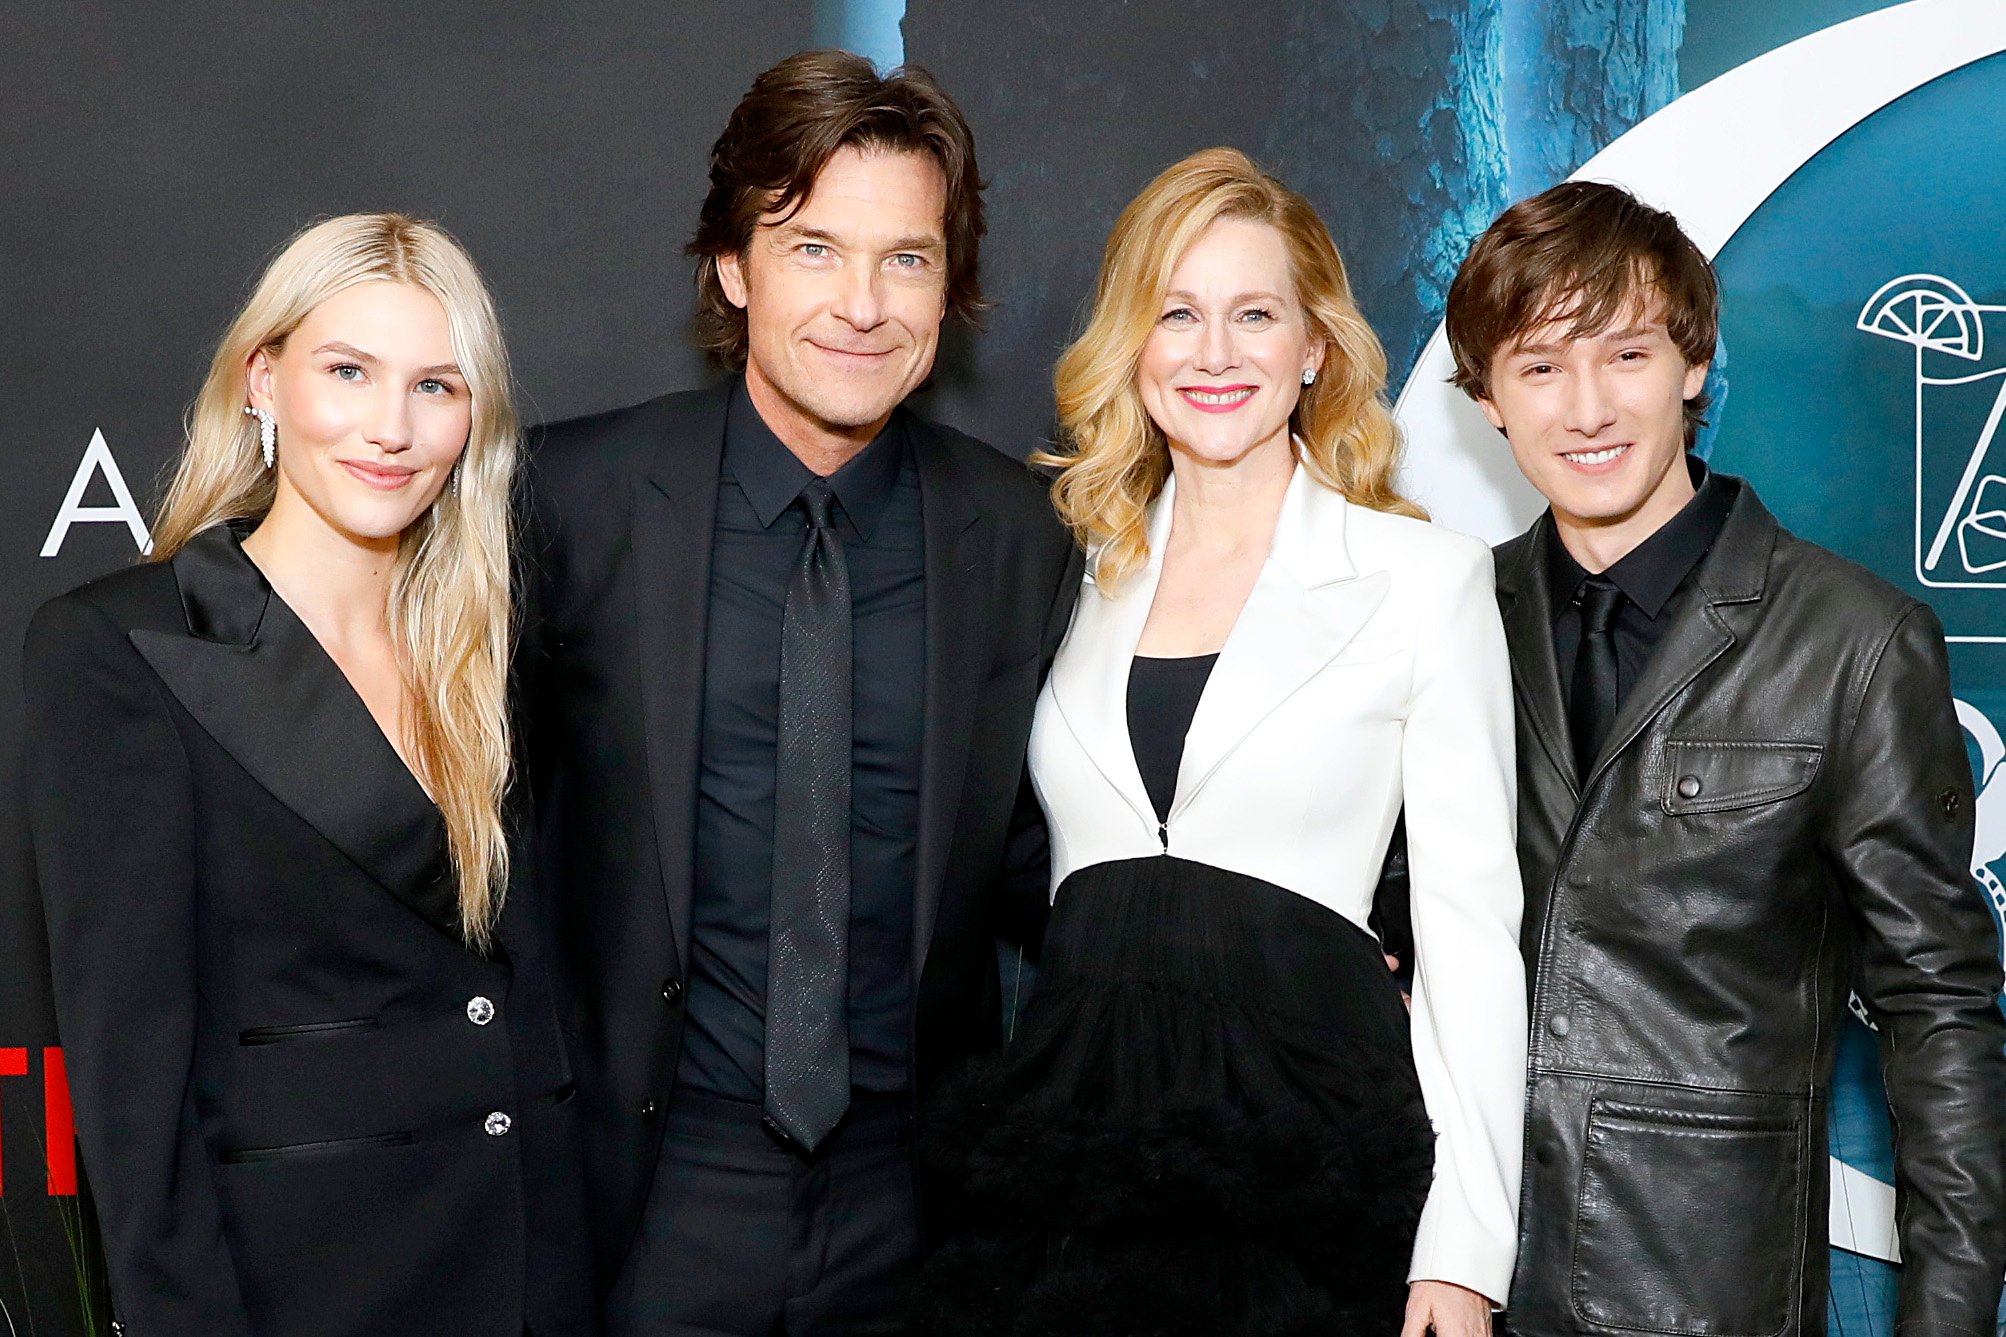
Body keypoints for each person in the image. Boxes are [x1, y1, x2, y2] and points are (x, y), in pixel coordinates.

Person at [914, 147, 1526, 1337]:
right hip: (1068, 1158)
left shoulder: (1422, 579)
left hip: (1311, 1159)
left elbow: (1470, 940)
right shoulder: (1068, 573)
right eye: (1177, 314)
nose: (1212, 352)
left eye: (1253, 315)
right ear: (1131, 345)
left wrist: (1463, 1251)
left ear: (1312, 348)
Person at [516, 51, 1082, 1335]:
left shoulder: (1021, 536)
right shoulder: (570, 500)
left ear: (950, 289)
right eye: (814, 247)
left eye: (907, 257)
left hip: (917, 1209)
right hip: (645, 1191)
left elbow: (1059, 864)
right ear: (732, 266)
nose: (862, 304)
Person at [1443, 180, 2006, 1335]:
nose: (1587, 407)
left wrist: (1946, 1319)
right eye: (1540, 366)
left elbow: (1936, 1004)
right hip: (1454, 1276)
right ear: (1487, 399)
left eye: (1626, 354)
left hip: (1706, 1290)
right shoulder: (1446, 618)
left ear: (1691, 365)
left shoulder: (1849, 639)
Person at [23, 214, 592, 1336]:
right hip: (303, 1284)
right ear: (264, 380)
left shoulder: (492, 652)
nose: (391, 427)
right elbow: (131, 1092)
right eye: (349, 371)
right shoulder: (120, 649)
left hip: (532, 1270)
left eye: (436, 384)